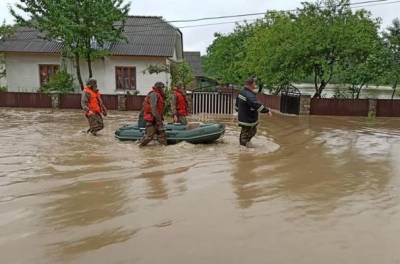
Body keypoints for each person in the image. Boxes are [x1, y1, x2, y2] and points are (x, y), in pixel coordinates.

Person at [235, 78, 272, 147]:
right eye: (255, 83)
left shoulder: (242, 92)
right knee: (246, 133)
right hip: (247, 118)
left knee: (252, 131)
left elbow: (237, 104)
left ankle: (245, 145)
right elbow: (255, 104)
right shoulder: (248, 94)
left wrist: (238, 111)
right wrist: (267, 110)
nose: (255, 84)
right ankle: (243, 150)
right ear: (251, 84)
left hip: (246, 117)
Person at [139, 82, 167, 146]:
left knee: (162, 135)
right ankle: (140, 147)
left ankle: (163, 151)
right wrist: (159, 120)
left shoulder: (159, 95)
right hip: (152, 120)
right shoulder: (153, 94)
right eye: (162, 88)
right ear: (159, 88)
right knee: (149, 137)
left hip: (157, 119)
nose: (163, 89)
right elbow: (153, 108)